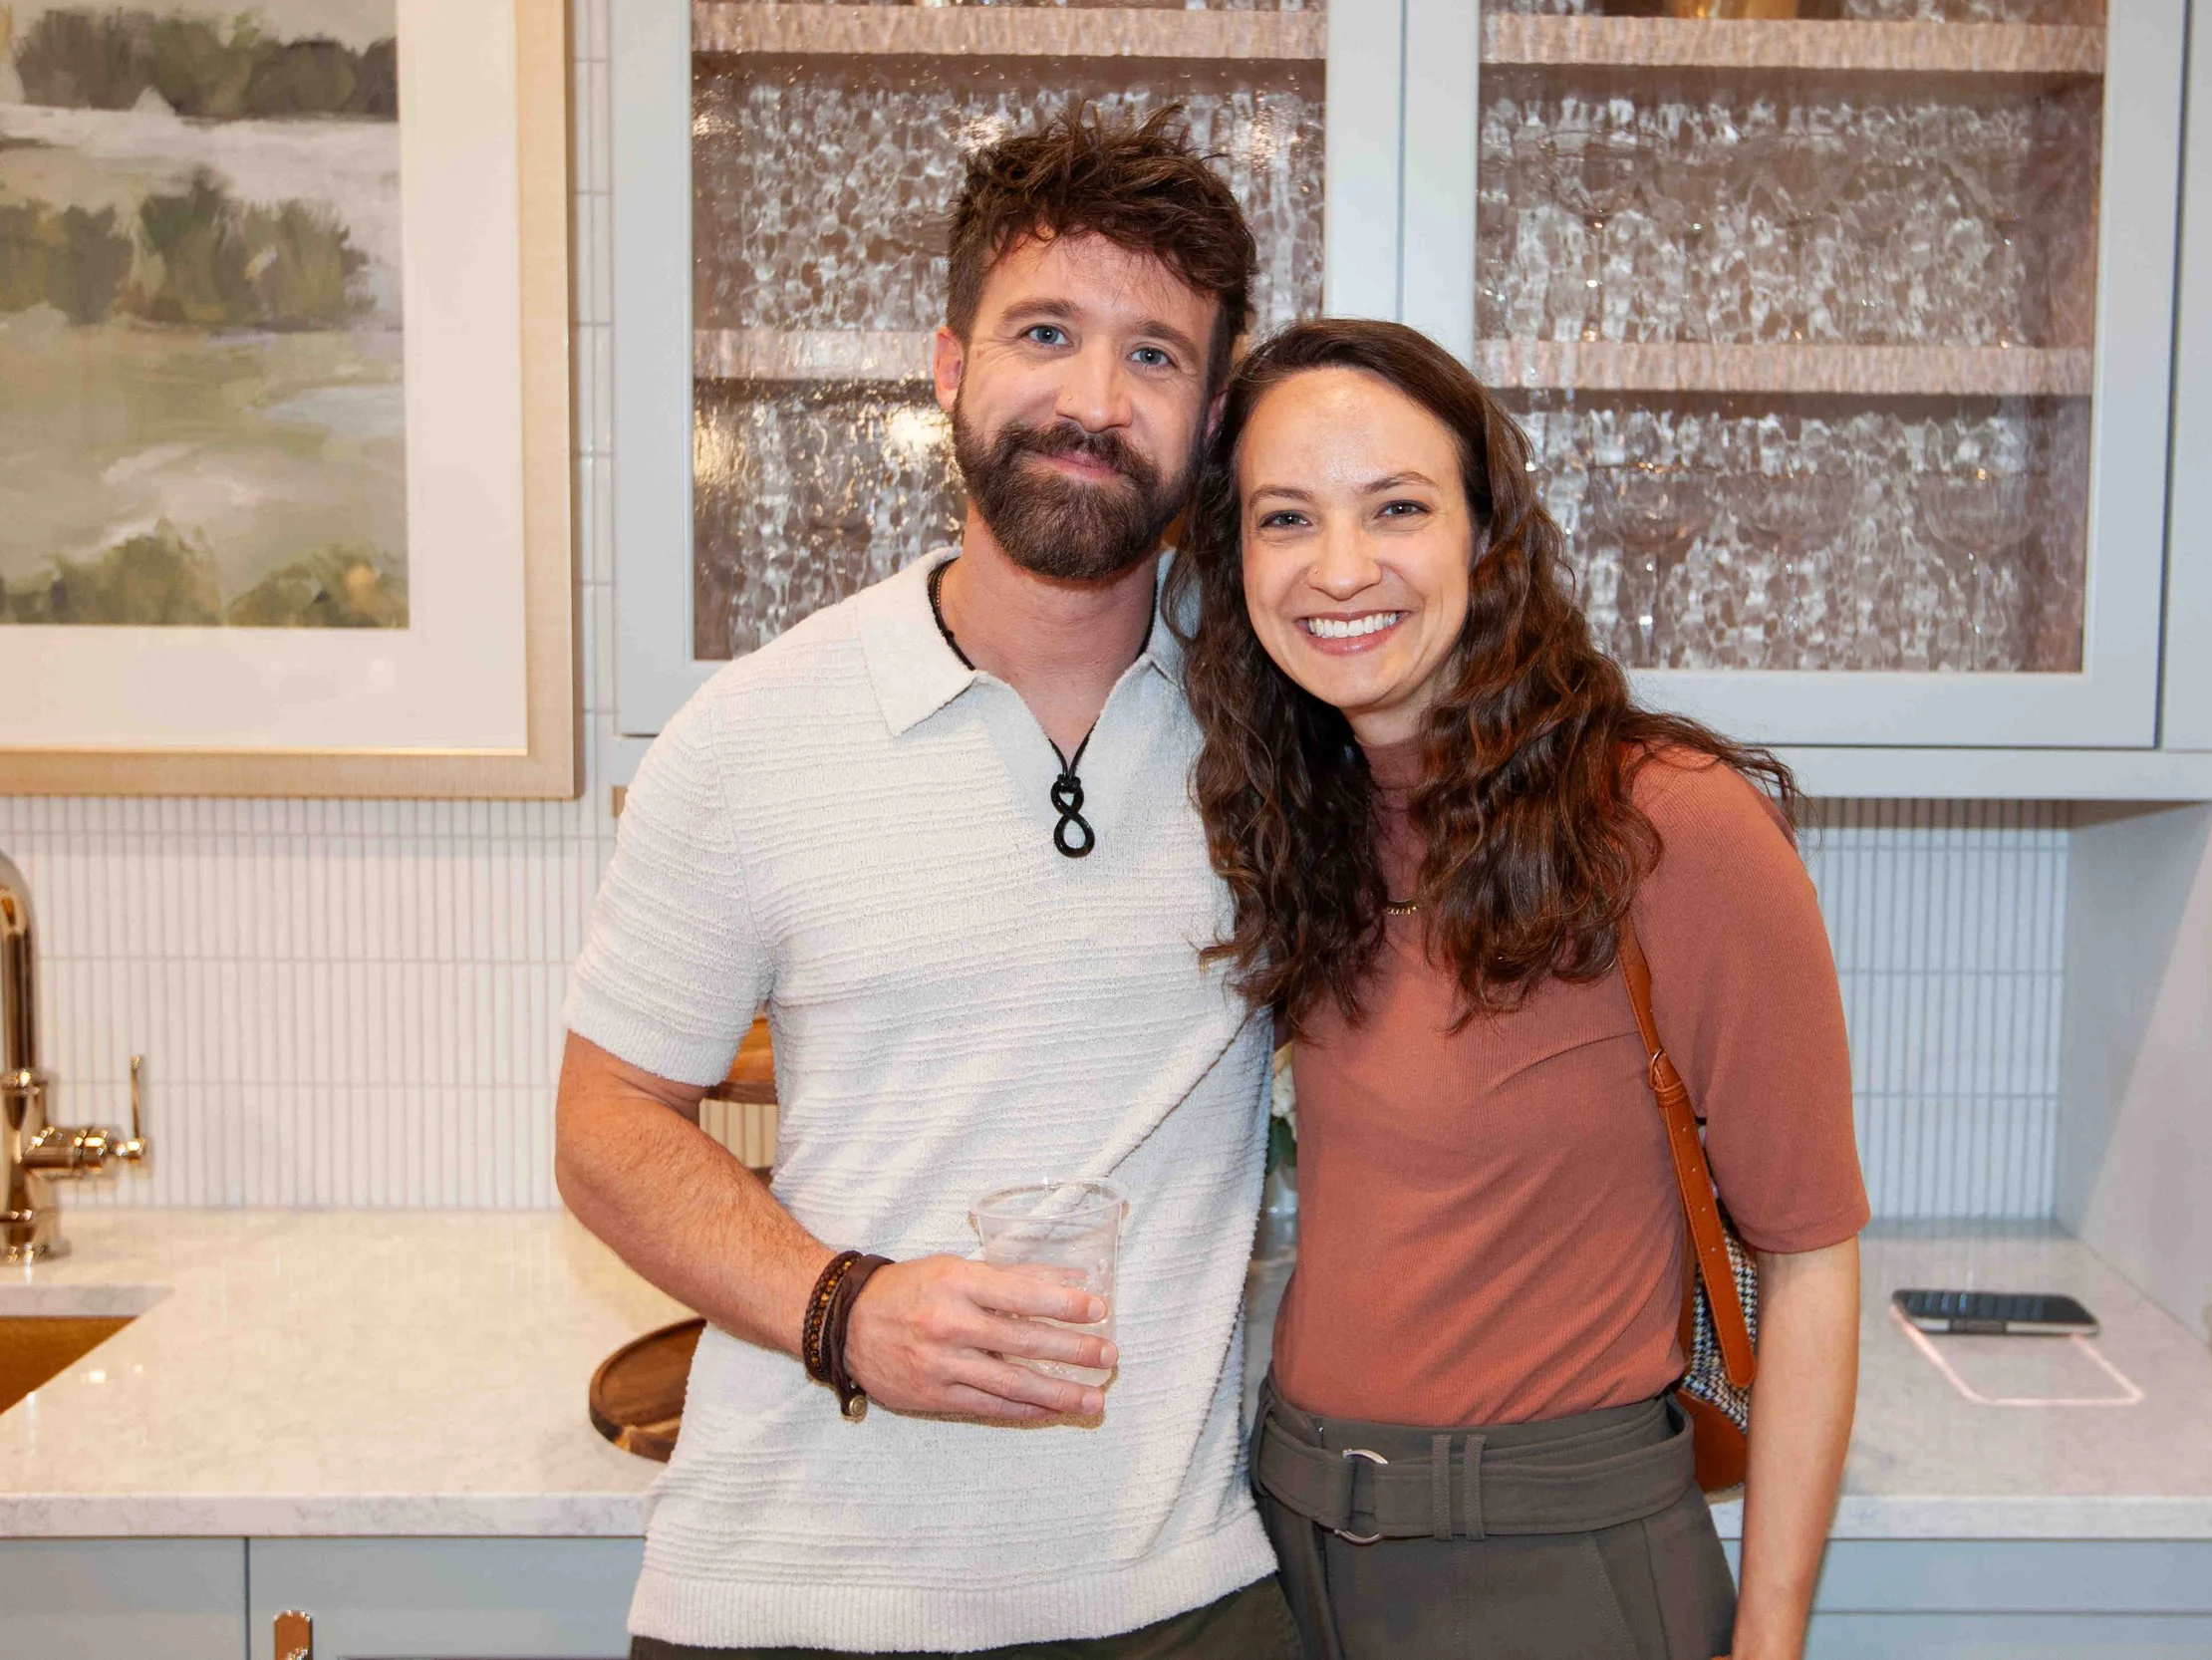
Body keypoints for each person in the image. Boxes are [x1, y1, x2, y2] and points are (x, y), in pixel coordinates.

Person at [557, 109, 1298, 1658]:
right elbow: (606, 1124)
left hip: (1169, 1594)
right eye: (1046, 333)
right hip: (790, 1593)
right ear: (951, 366)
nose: (1094, 401)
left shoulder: (1280, 734)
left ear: (1214, 416)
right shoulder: (753, 735)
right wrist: (845, 1307)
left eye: (1154, 355)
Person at [1173, 318, 1868, 1660]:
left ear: (1487, 536)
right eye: (1284, 518)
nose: (1339, 567)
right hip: (1288, 1541)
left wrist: (1771, 1637)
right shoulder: (1303, 822)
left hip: (1551, 1568)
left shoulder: (1668, 824)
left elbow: (1811, 1259)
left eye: (1397, 507)